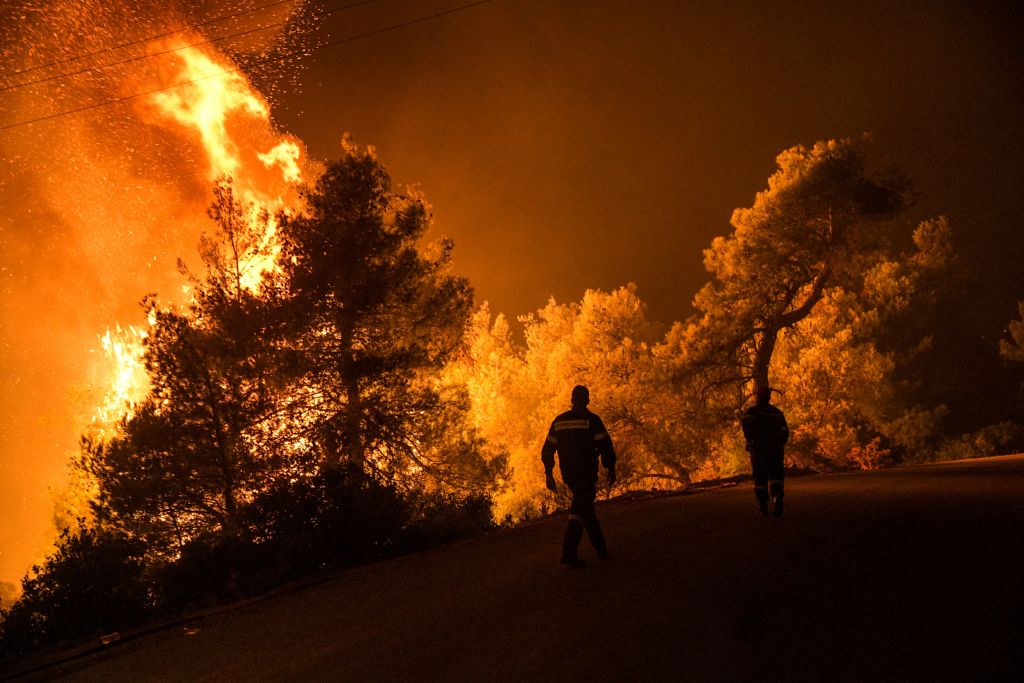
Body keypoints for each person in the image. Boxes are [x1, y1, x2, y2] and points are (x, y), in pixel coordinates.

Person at [541, 385, 617, 567]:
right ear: (587, 400)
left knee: (585, 507)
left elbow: (547, 451)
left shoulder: (559, 422)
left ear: (572, 400)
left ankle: (601, 548)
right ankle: (569, 552)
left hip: (569, 474)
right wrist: (611, 469)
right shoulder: (592, 420)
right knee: (579, 510)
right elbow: (606, 446)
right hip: (586, 471)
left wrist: (549, 474)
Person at [741, 386, 790, 517]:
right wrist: (780, 443)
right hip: (775, 449)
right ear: (769, 397)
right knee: (776, 474)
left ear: (757, 396)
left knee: (760, 477)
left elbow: (747, 428)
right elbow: (785, 431)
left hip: (759, 450)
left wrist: (751, 441)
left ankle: (763, 506)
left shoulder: (752, 412)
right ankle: (777, 497)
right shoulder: (778, 413)